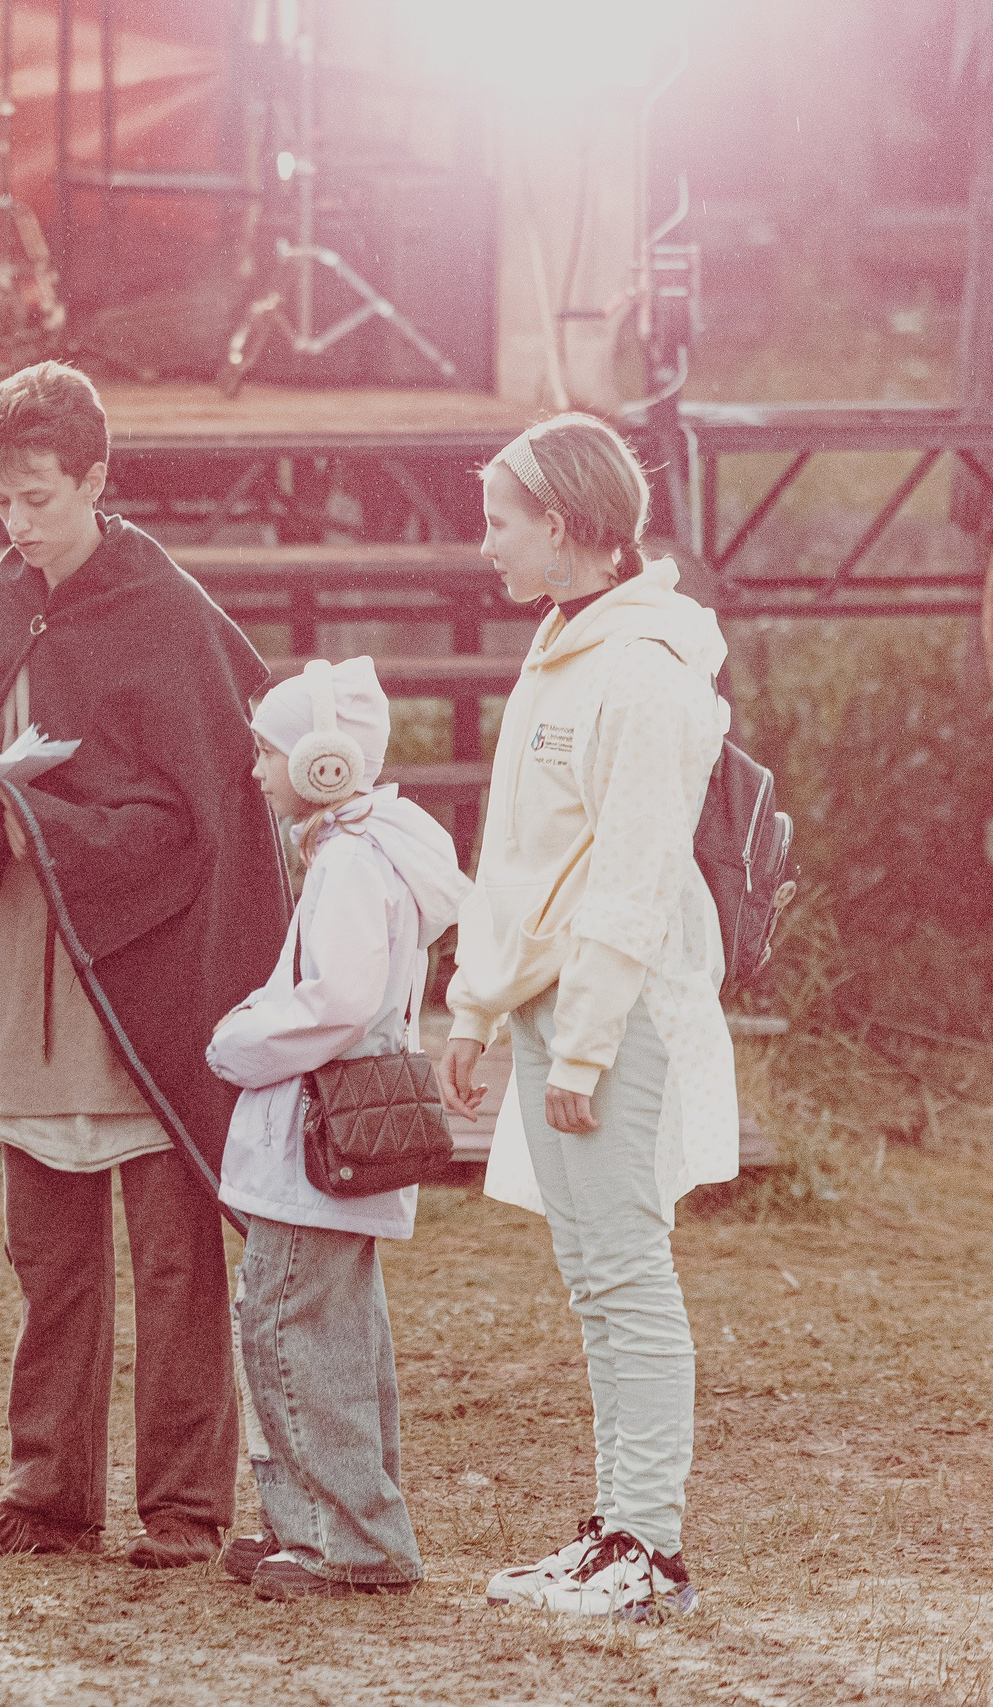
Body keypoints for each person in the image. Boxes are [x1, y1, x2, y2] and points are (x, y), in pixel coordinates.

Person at [0, 362, 292, 1567]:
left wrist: (41, 825)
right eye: (0, 502)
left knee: (173, 1261)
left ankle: (183, 1508)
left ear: (96, 480)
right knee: (47, 1254)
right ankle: (46, 1497)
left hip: (153, 980)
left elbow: (195, 824)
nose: (17, 525)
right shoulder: (5, 599)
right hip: (31, 976)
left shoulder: (169, 616)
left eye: (38, 499)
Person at [435, 413, 738, 1621]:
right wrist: (473, 1007)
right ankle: (615, 1532)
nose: (486, 545)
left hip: (614, 1014)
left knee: (625, 1269)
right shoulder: (562, 644)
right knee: (592, 1276)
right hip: (547, 1005)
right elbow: (521, 853)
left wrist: (589, 1043)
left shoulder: (646, 670)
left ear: (562, 526)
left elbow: (634, 873)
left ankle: (647, 1553)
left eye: (500, 522)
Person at [206, 658, 468, 1601]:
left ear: (325, 761)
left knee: (287, 1326)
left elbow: (341, 1000)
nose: (256, 770)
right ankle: (315, 1521)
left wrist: (240, 1040)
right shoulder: (356, 851)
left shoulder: (353, 862)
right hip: (330, 1137)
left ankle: (347, 1539)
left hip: (314, 1140)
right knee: (330, 1333)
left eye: (268, 752)